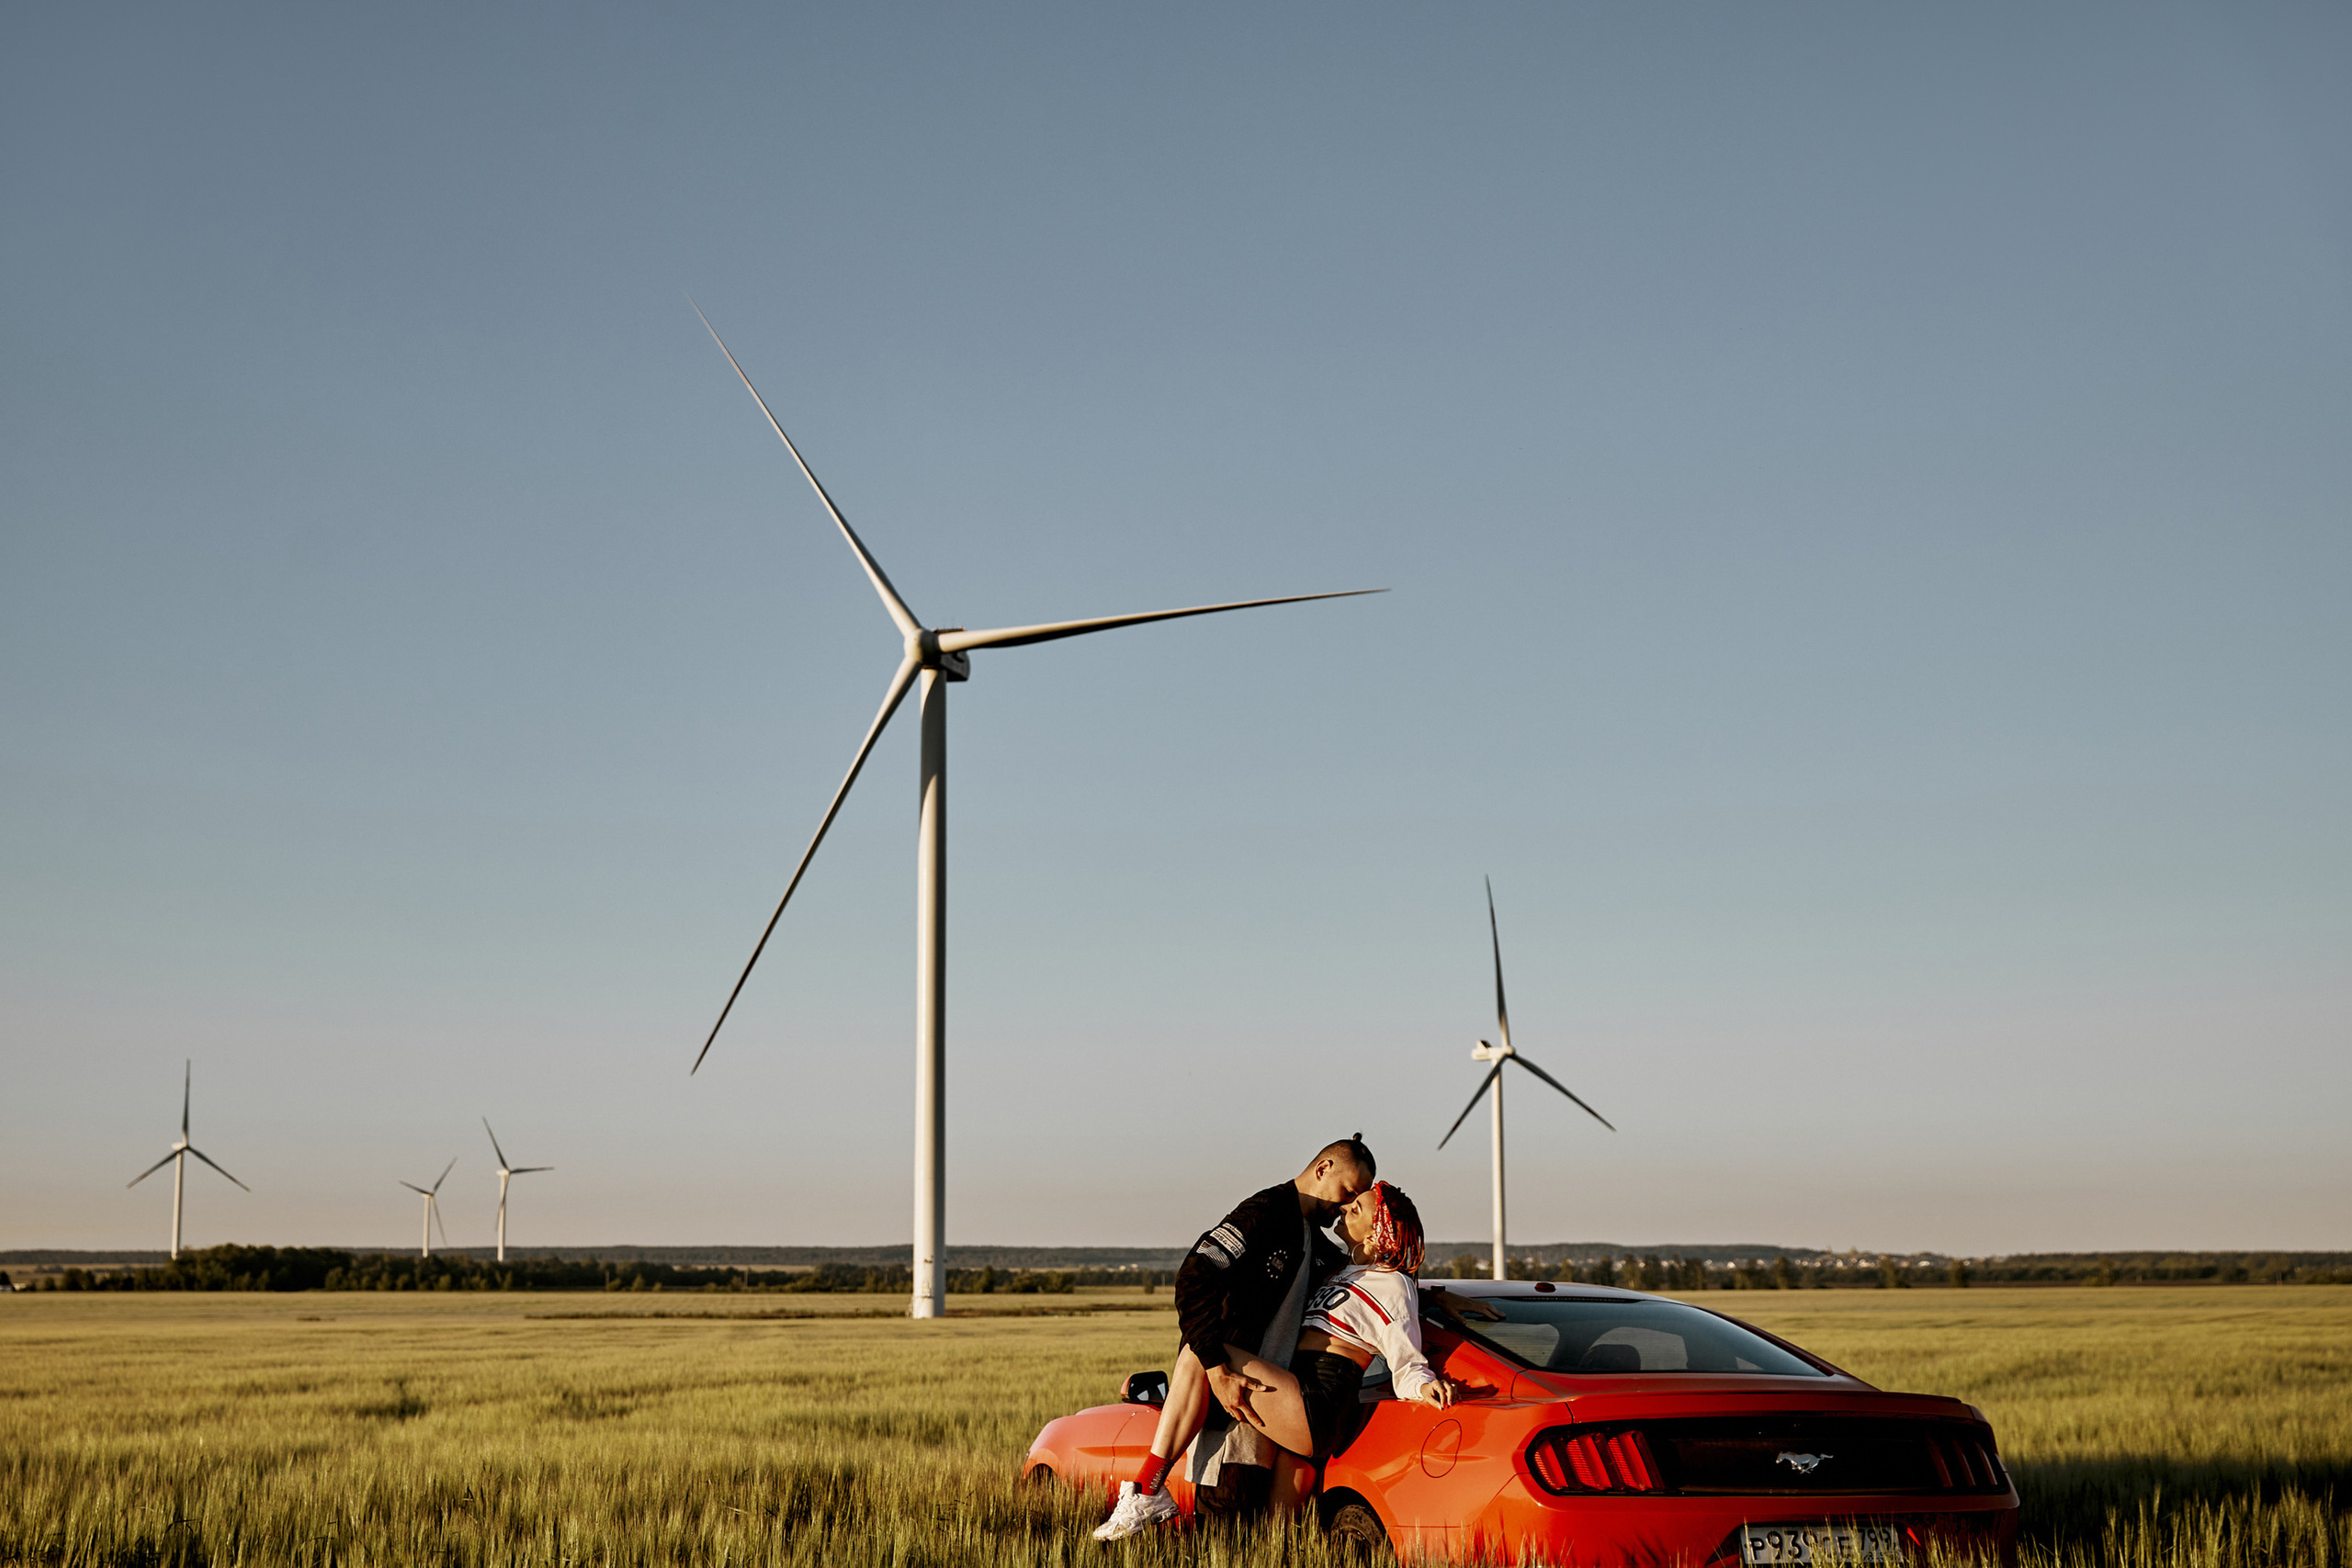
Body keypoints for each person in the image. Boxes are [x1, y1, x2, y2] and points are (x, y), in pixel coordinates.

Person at [1092, 1137, 1374, 1541]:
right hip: (1232, 1423)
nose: (1346, 1205)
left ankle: (1147, 1488)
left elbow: (1375, 1289)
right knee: (1226, 1539)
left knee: (1259, 1544)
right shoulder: (1264, 1213)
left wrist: (1434, 1294)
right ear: (1323, 1168)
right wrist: (1216, 1369)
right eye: (1348, 1191)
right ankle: (1147, 1488)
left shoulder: (1315, 1241)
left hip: (1274, 1415)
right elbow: (1194, 1277)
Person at [1218, 1179, 1460, 1516]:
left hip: (1321, 1398)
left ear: (1376, 1232)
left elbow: (1405, 1357)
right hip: (1295, 1392)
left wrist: (1423, 1384)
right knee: (1278, 1530)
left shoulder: (1393, 1284)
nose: (1344, 1209)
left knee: (1207, 1347)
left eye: (1356, 1208)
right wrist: (1435, 1296)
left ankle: (1149, 1485)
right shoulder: (1341, 1271)